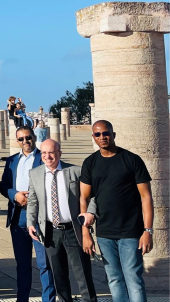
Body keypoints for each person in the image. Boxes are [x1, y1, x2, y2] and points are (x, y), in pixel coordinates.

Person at [79, 120, 153, 302]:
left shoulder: (132, 160)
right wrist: (85, 232)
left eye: (106, 133)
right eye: (98, 134)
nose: (102, 137)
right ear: (93, 137)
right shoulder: (90, 163)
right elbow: (84, 198)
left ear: (113, 134)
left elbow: (146, 197)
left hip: (131, 232)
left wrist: (148, 231)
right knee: (114, 280)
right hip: (105, 233)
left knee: (133, 279)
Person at [27, 140, 97, 302]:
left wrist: (90, 214)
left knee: (83, 274)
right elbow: (33, 200)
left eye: (51, 152)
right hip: (51, 231)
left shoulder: (75, 171)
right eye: (44, 153)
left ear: (59, 153)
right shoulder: (35, 173)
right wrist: (31, 222)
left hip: (74, 230)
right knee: (59, 276)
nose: (47, 156)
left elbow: (91, 196)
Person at [0, 126, 55, 302]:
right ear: (17, 141)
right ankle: (22, 298)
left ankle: (48, 299)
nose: (25, 141)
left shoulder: (43, 157)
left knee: (44, 263)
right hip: (18, 216)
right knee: (22, 263)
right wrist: (14, 194)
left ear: (34, 137)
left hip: (39, 217)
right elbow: (3, 186)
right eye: (21, 139)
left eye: (28, 137)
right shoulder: (12, 161)